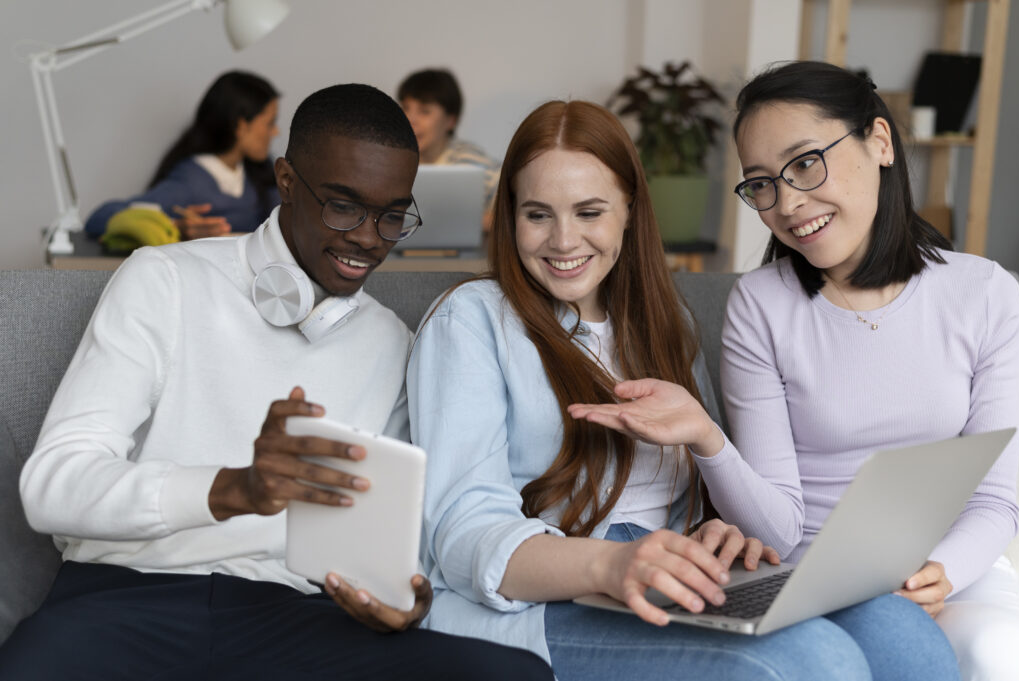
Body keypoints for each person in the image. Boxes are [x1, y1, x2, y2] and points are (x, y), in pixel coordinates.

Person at [0, 83, 552, 681]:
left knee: (511, 674)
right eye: (344, 207)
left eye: (392, 216)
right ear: (286, 180)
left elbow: (391, 538)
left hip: (297, 620)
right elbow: (52, 486)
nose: (370, 238)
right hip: (123, 601)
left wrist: (405, 599)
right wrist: (233, 489)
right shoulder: (164, 280)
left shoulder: (390, 341)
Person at [406, 98, 960, 681]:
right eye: (538, 214)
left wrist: (712, 530)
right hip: (540, 604)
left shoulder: (663, 321)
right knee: (813, 659)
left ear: (629, 209)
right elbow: (463, 533)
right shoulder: (471, 320)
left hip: (668, 575)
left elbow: (689, 497)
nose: (563, 240)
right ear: (510, 214)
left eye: (590, 212)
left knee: (903, 634)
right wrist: (611, 563)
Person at [570, 61, 1019, 681]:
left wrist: (936, 572)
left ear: (880, 142)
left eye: (806, 163)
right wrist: (708, 437)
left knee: (998, 654)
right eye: (761, 184)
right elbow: (778, 528)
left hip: (957, 571)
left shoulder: (985, 293)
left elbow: (996, 498)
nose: (787, 203)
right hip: (818, 583)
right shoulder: (761, 305)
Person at [84, 70, 282, 241]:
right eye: (269, 123)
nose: (275, 132)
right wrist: (173, 225)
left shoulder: (260, 172)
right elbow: (99, 219)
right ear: (241, 125)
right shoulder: (191, 182)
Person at [397, 68, 499, 222]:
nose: (410, 119)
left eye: (424, 111)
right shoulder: (392, 163)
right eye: (405, 108)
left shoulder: (470, 162)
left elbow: (509, 215)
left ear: (451, 120)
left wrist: (470, 224)